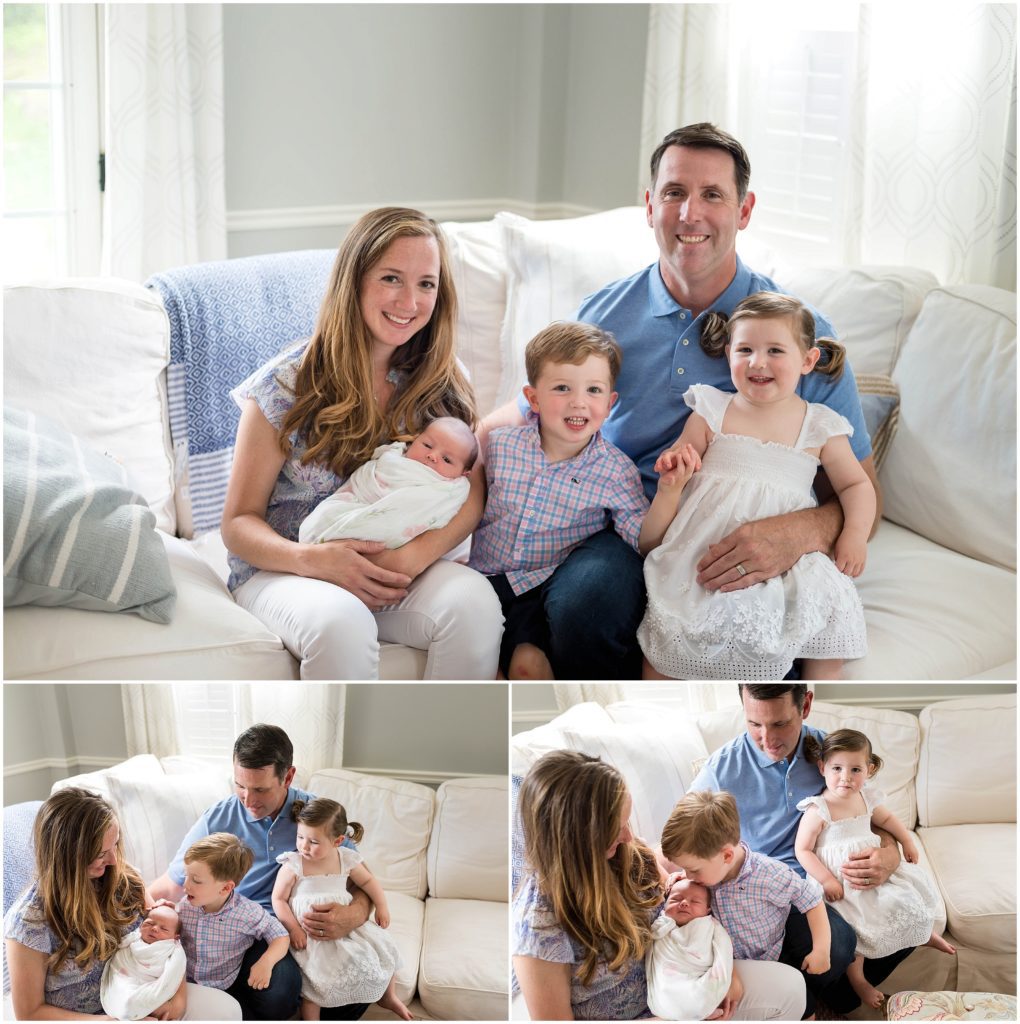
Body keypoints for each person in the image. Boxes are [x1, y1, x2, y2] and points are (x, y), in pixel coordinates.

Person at [481, 123, 882, 678]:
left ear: (744, 211)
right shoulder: (605, 313)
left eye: (713, 194)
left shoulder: (795, 337)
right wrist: (455, 450)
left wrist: (797, 533)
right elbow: (536, 409)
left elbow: (861, 488)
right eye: (674, 193)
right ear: (650, 206)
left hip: (739, 533)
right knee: (586, 603)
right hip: (624, 524)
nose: (690, 214)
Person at [221, 205, 502, 680]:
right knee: (341, 623)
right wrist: (312, 560)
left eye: (426, 284)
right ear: (355, 280)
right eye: (391, 278)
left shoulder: (443, 380)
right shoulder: (283, 386)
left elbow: (471, 491)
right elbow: (237, 522)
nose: (409, 301)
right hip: (289, 570)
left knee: (473, 605)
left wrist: (410, 558)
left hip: (396, 566)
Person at [638, 292, 874, 680]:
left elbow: (856, 486)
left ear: (808, 361)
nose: (757, 362)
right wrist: (673, 472)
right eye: (745, 349)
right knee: (673, 628)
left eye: (775, 351)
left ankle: (821, 680)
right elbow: (679, 464)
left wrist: (854, 535)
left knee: (826, 598)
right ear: (729, 353)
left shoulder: (820, 425)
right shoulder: (711, 410)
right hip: (708, 552)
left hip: (788, 560)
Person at [513, 749, 807, 1020]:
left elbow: (686, 902)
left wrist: (723, 969)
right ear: (577, 838)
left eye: (626, 822)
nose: (629, 836)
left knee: (790, 987)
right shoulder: (538, 924)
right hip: (644, 1016)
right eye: (616, 828)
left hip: (685, 976)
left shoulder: (627, 854)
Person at [690, 684, 913, 1015]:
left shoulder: (832, 754)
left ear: (805, 705)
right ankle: (807, 1006)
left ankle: (833, 999)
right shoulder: (721, 769)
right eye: (754, 724)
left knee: (912, 918)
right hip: (771, 887)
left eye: (780, 724)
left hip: (834, 876)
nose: (767, 740)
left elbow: (870, 811)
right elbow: (683, 835)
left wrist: (891, 855)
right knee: (838, 944)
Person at [149, 724, 369, 1021]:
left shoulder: (317, 818)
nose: (248, 800)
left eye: (261, 789)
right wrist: (136, 916)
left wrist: (352, 916)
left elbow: (362, 880)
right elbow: (172, 884)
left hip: (292, 930)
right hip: (233, 928)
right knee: (276, 993)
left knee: (353, 986)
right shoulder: (218, 817)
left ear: (288, 777)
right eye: (240, 786)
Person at [468, 322, 649, 679]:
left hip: (543, 588)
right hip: (485, 582)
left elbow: (642, 537)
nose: (578, 401)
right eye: (562, 388)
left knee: (526, 669)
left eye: (593, 390)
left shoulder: (615, 471)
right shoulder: (500, 446)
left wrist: (672, 492)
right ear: (533, 398)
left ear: (610, 403)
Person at [3, 787, 240, 1021]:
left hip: (144, 994)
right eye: (100, 852)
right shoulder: (29, 924)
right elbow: (30, 1012)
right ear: (68, 855)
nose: (114, 859)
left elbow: (169, 946)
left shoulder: (124, 881)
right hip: (86, 1018)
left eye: (114, 845)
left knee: (226, 1009)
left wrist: (176, 998)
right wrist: (109, 1021)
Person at [795, 729, 954, 1008]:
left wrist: (906, 841)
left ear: (868, 770)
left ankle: (922, 932)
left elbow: (889, 819)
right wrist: (826, 879)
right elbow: (803, 850)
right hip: (840, 883)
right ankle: (859, 980)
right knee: (856, 928)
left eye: (855, 769)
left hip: (873, 874)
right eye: (837, 768)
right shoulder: (818, 809)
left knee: (902, 898)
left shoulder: (866, 798)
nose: (845, 777)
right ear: (822, 768)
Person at [659, 790, 833, 1020]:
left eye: (693, 869)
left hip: (770, 955)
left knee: (804, 1004)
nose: (687, 875)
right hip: (725, 961)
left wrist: (821, 949)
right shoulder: (704, 875)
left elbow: (811, 901)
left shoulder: (770, 875)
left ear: (727, 856)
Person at [271, 798, 410, 1022]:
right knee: (315, 981)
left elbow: (368, 883)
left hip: (344, 926)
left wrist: (382, 907)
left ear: (338, 841)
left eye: (314, 842)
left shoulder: (345, 858)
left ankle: (388, 996)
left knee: (383, 948)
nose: (304, 846)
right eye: (300, 837)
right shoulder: (294, 864)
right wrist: (294, 929)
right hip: (310, 935)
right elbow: (278, 899)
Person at [298, 416, 477, 548]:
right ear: (415, 440)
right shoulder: (392, 458)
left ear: (463, 473)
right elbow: (366, 479)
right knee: (326, 517)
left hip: (399, 545)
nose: (432, 456)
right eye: (427, 445)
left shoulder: (452, 488)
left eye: (447, 460)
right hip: (357, 502)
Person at [177, 833, 291, 1008]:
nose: (186, 885)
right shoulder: (186, 906)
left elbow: (281, 936)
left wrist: (266, 962)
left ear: (226, 887)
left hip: (224, 987)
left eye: (196, 880)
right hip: (183, 984)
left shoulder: (247, 913)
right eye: (186, 875)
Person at [645, 876, 733, 1021]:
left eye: (695, 901)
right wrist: (666, 920)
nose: (684, 903)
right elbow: (651, 937)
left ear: (707, 910)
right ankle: (694, 1012)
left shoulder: (711, 926)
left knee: (702, 995)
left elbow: (724, 954)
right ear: (665, 904)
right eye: (675, 899)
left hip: (699, 976)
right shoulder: (662, 924)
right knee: (667, 992)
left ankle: (698, 1009)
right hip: (667, 986)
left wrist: (719, 979)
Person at [100, 905, 187, 1021]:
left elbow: (176, 969)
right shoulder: (134, 938)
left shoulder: (173, 948)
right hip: (127, 976)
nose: (155, 929)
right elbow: (120, 946)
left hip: (150, 983)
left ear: (175, 937)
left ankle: (137, 1011)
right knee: (123, 994)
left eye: (164, 929)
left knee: (138, 1002)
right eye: (149, 923)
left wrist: (169, 1000)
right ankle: (132, 1012)